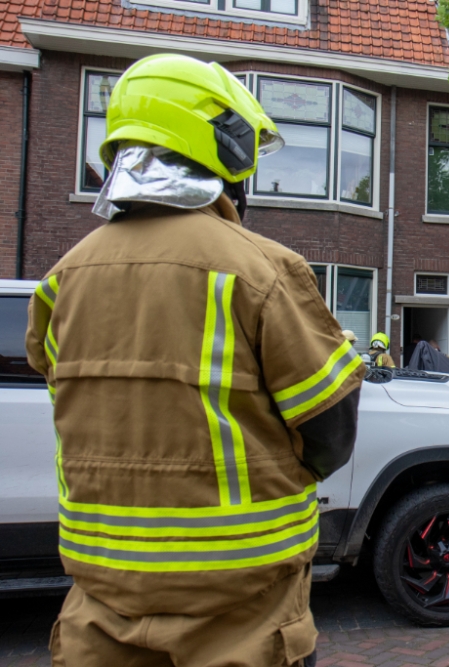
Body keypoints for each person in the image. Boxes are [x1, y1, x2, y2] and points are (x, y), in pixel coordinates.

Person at [26, 54, 364, 667]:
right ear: (224, 146)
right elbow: (331, 431)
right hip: (239, 612)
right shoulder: (261, 269)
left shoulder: (61, 280)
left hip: (100, 611)